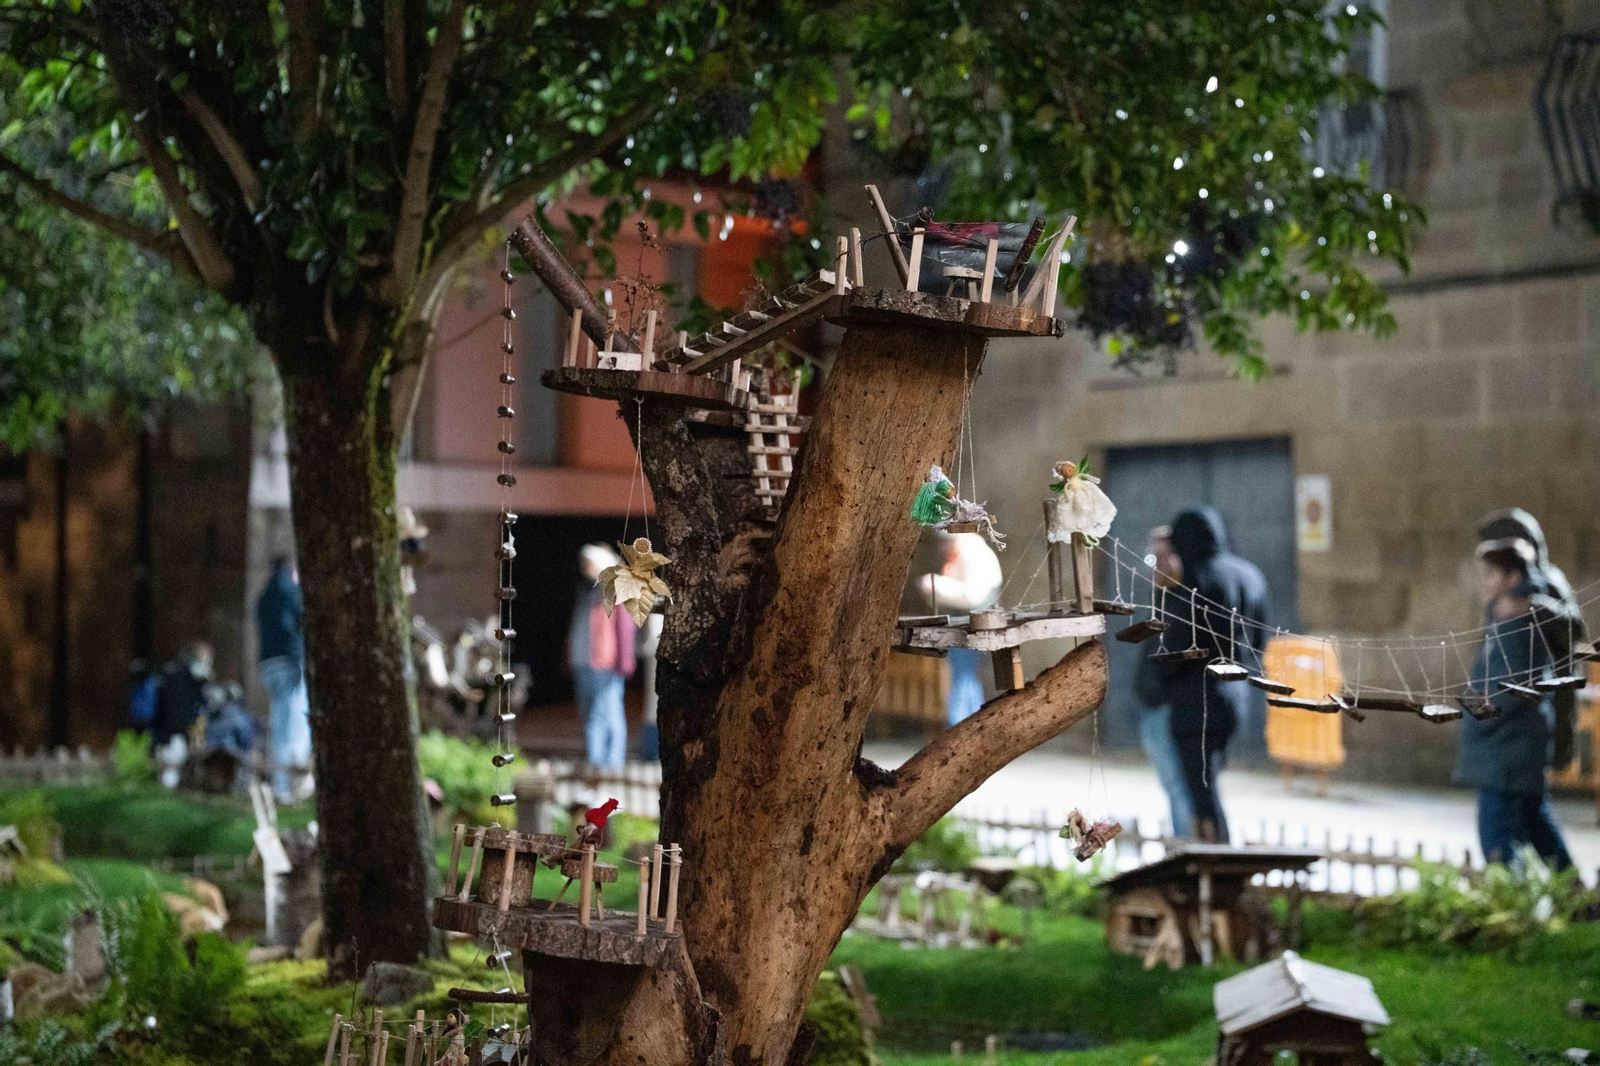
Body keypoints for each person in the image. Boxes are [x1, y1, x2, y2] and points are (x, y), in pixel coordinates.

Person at [1151, 506, 1271, 843]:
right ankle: (1216, 850)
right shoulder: (1250, 575)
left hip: (1196, 699)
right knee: (1209, 777)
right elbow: (1261, 639)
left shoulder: (1196, 579)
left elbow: (1174, 643)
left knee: (1201, 788)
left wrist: (1159, 682)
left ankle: (1216, 854)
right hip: (1237, 694)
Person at [1453, 538, 1574, 870]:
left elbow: (1519, 685)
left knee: (1497, 838)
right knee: (1536, 823)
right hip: (1510, 748)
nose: (1483, 582)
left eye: (1491, 574)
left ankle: (1516, 909)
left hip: (1509, 750)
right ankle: (1579, 901)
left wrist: (1482, 713)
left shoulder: (1523, 617)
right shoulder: (1501, 614)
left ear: (1511, 578)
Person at [1474, 508, 1587, 772]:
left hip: (1544, 691)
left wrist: (1533, 606)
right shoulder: (1507, 588)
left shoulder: (1547, 582)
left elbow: (1574, 627)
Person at [1132, 526, 1195, 838]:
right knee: (1172, 784)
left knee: (1179, 783)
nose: (1158, 564)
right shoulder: (1163, 595)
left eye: (1164, 555)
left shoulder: (1185, 598)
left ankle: (1187, 847)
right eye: (1154, 556)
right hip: (1156, 706)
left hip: (1170, 707)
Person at [918, 532, 1003, 726]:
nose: (941, 549)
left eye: (943, 543)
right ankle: (973, 723)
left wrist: (937, 586)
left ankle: (959, 725)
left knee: (962, 679)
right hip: (966, 622)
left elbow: (973, 595)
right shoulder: (963, 553)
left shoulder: (972, 553)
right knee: (966, 678)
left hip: (970, 625)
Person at [569, 544, 636, 768]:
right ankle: (595, 760)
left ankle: (610, 762)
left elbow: (625, 629)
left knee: (606, 711)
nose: (583, 568)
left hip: (605, 662)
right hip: (584, 661)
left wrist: (625, 660)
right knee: (589, 712)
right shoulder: (587, 591)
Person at [257, 556, 311, 801]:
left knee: (279, 721)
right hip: (290, 661)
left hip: (268, 663)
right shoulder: (291, 592)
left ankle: (280, 785)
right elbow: (300, 622)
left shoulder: (264, 595)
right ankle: (292, 785)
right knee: (295, 721)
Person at [152, 641, 213, 788]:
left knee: (171, 767)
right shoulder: (192, 678)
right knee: (173, 769)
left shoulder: (168, 673)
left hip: (164, 730)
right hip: (177, 731)